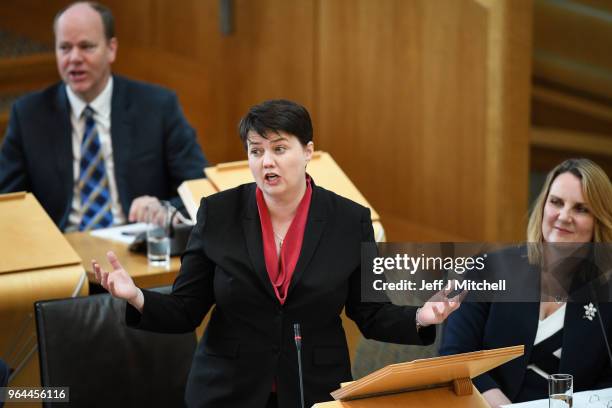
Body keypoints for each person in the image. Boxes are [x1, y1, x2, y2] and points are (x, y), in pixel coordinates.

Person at [93, 99, 461, 408]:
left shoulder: (350, 221)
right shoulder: (218, 214)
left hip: (312, 389)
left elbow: (370, 312)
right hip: (226, 391)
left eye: (279, 148)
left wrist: (421, 317)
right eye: (256, 151)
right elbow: (186, 308)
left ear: (308, 153)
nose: (266, 161)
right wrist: (138, 297)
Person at [0, 1, 207, 231]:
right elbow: (7, 203)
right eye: (65, 48)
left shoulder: (157, 106)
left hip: (137, 248)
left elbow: (198, 186)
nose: (74, 58)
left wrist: (165, 209)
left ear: (111, 49)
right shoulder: (28, 115)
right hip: (62, 248)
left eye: (86, 46)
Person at [440, 158, 612, 407]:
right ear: (543, 206)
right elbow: (455, 355)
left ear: (599, 221)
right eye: (556, 202)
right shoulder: (487, 269)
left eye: (581, 209)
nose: (564, 216)